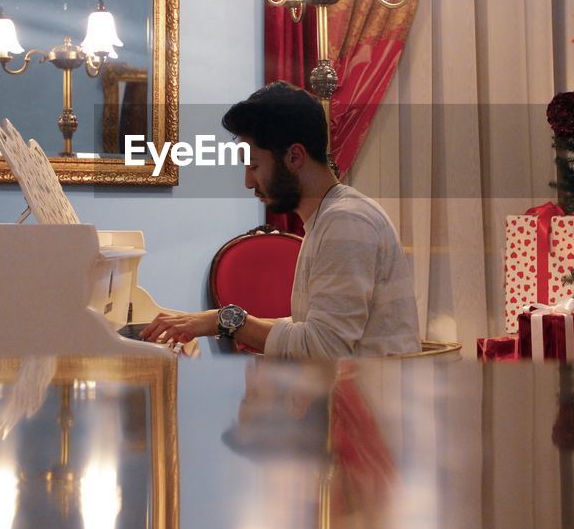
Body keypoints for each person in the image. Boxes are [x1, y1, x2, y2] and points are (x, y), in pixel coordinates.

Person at [140, 82, 420, 358]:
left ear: (294, 156)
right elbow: (310, 329)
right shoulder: (329, 218)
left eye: (254, 166)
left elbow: (323, 348)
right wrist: (215, 320)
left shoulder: (346, 222)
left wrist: (225, 321)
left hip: (369, 400)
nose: (249, 182)